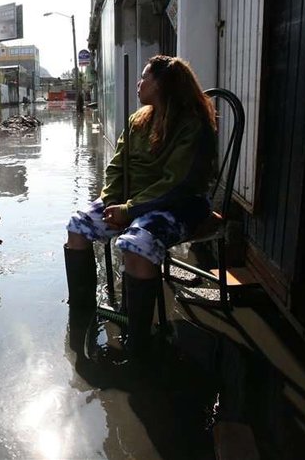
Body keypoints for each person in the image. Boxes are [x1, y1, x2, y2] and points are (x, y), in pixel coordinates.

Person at [63, 54, 217, 356]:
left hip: (180, 205)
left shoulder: (193, 125)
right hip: (131, 203)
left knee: (138, 241)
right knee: (78, 225)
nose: (139, 82)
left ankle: (139, 335)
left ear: (162, 84)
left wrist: (130, 211)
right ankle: (82, 310)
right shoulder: (138, 121)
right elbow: (117, 167)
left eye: (145, 77)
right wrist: (111, 201)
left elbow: (178, 183)